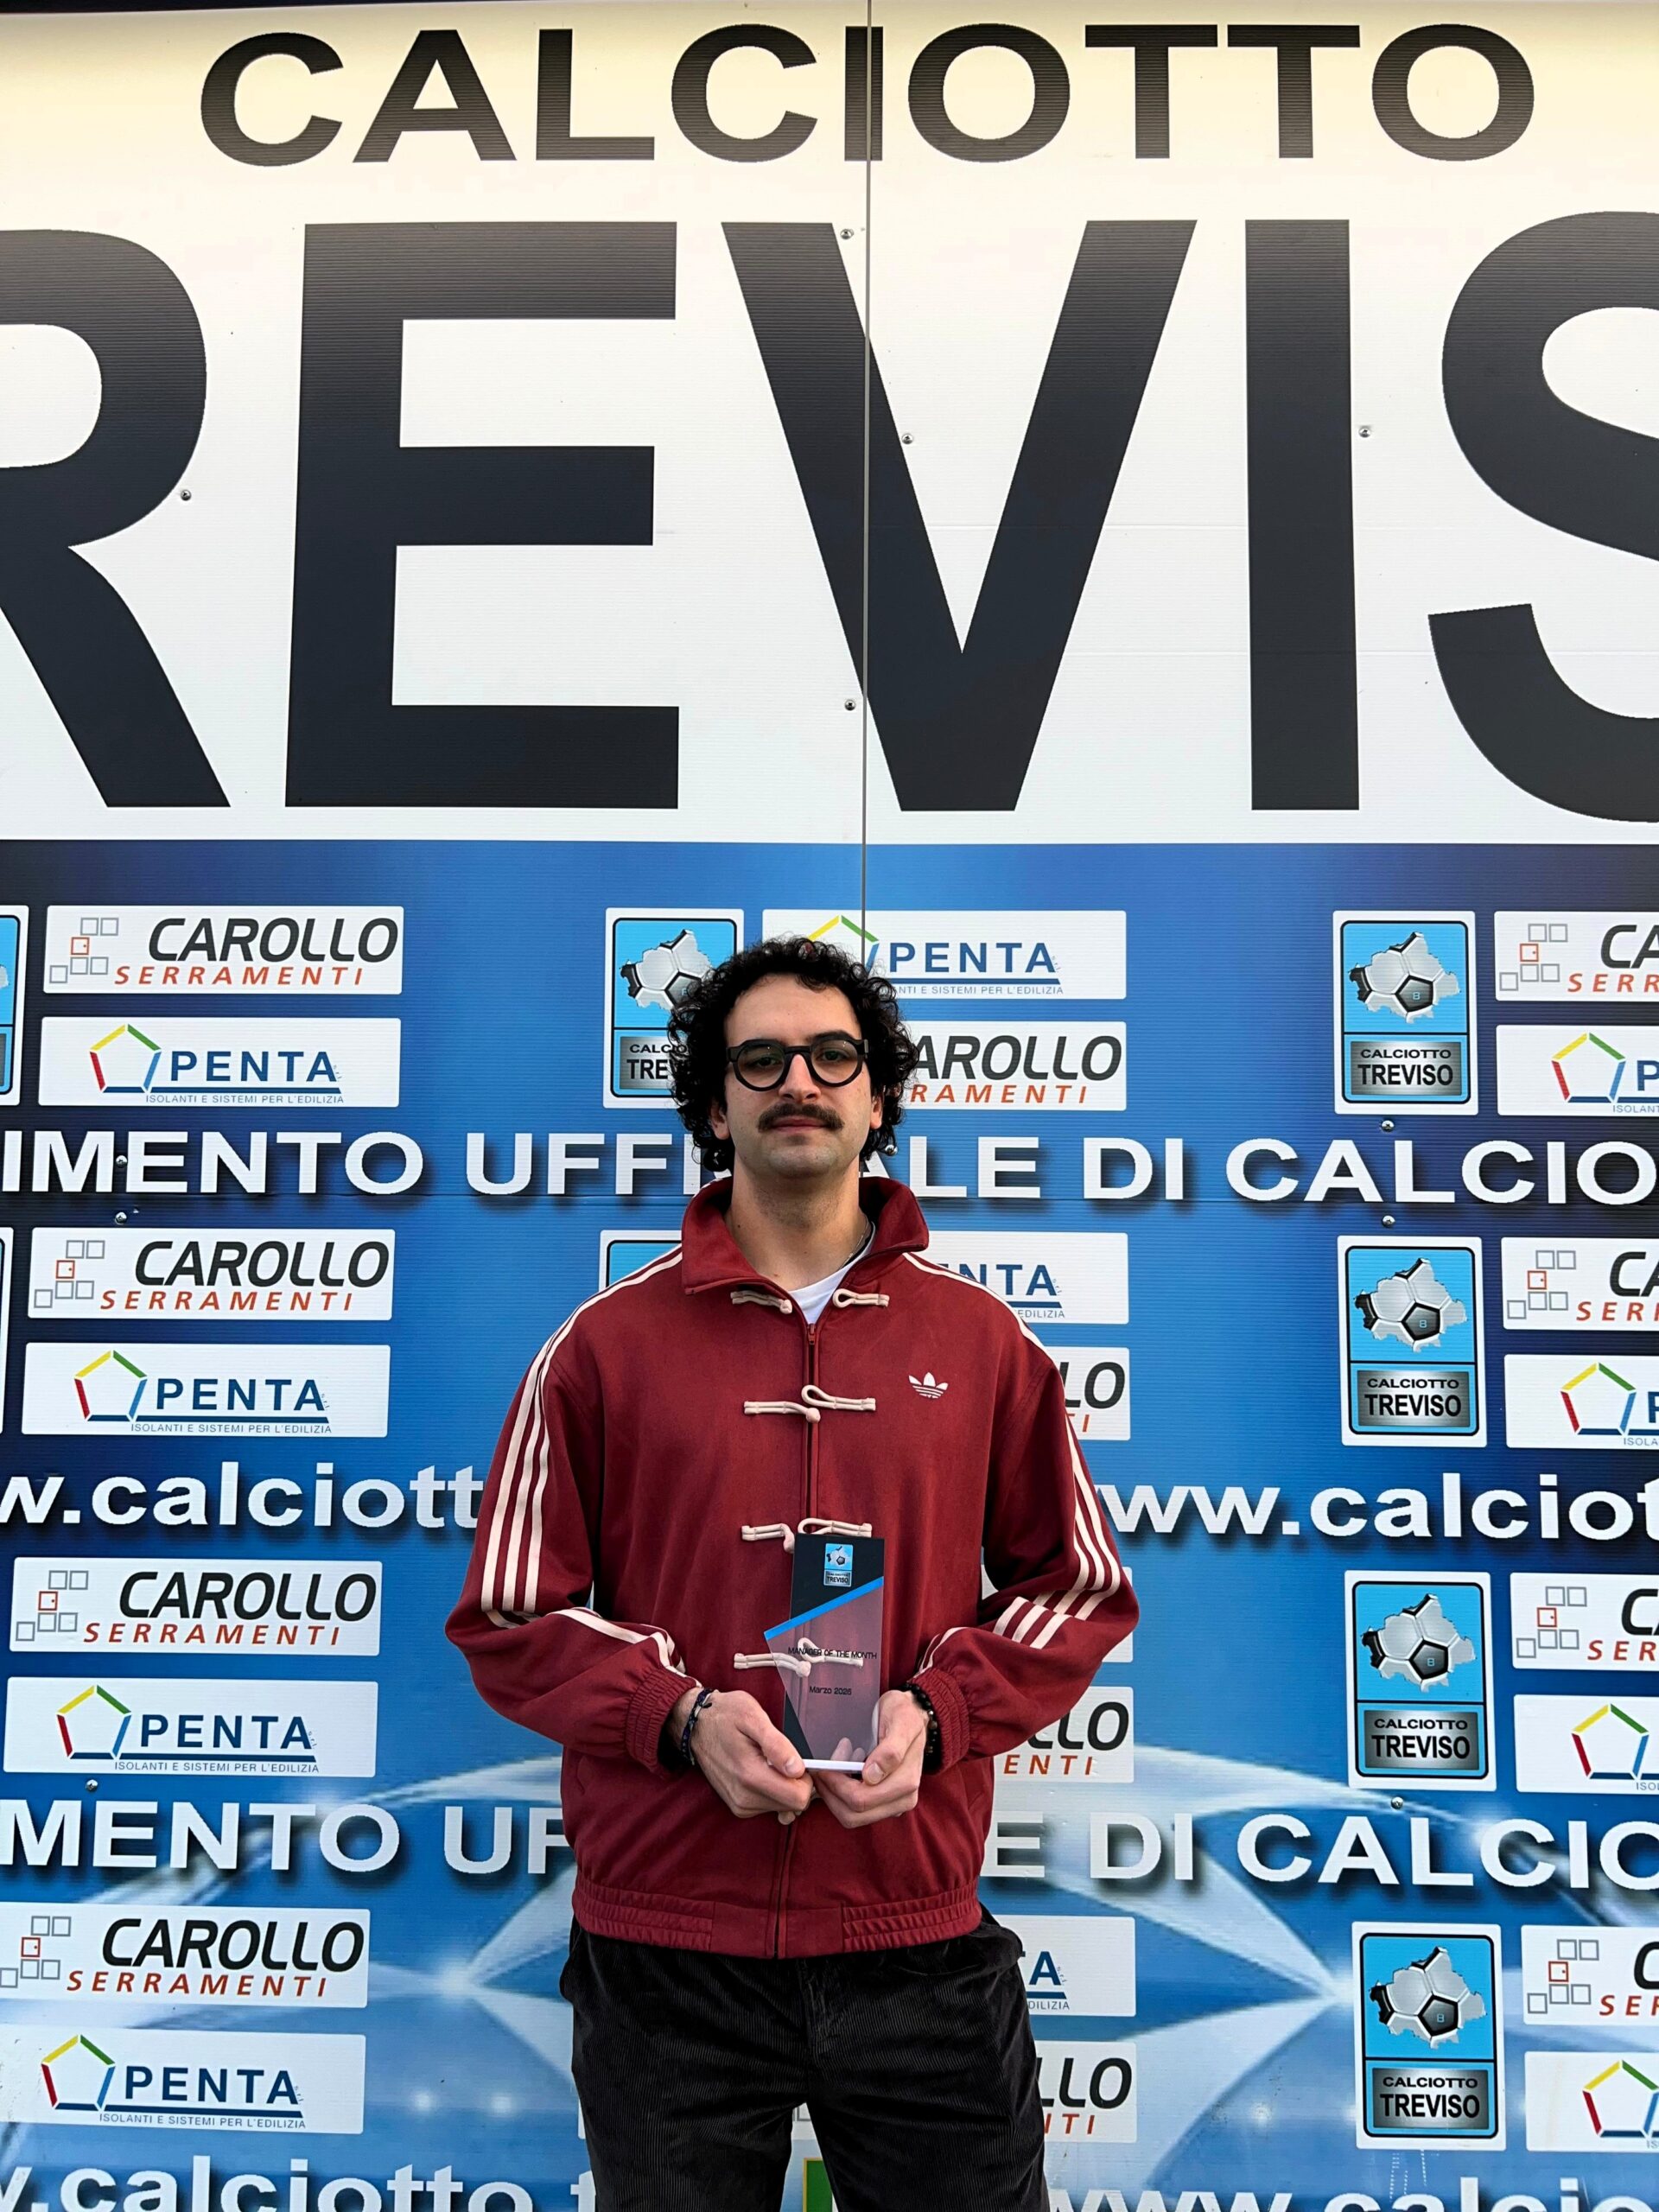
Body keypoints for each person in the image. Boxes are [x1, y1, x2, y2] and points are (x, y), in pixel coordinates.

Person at [448, 935, 1136, 2212]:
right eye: (759, 1060)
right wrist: (679, 1718)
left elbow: (1077, 1590)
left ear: (879, 1099)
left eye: (832, 1056)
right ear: (714, 1108)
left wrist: (940, 1713)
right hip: (667, 1954)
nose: (799, 1083)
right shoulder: (602, 1348)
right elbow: (509, 1616)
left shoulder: (984, 1342)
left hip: (914, 1935)